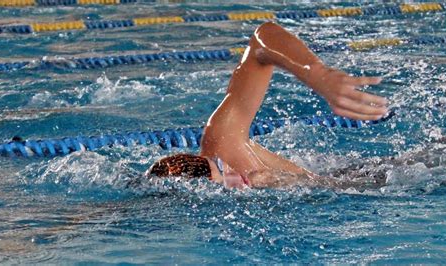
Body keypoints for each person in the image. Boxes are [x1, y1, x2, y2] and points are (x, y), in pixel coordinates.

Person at [146, 22, 388, 189]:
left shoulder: (222, 143)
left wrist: (316, 74)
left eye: (221, 165)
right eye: (222, 176)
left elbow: (264, 36)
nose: (231, 172)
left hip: (368, 179)